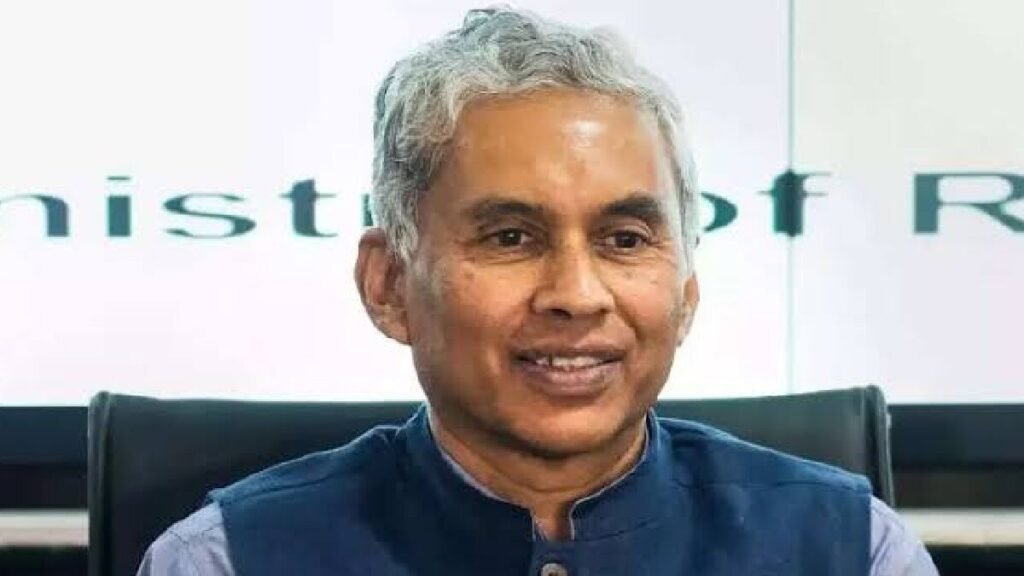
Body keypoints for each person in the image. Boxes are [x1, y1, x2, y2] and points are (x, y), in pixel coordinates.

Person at [138, 7, 938, 575]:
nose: (578, 295)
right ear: (389, 285)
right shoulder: (225, 560)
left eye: (625, 239)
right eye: (511, 238)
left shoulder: (853, 550)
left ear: (687, 290)